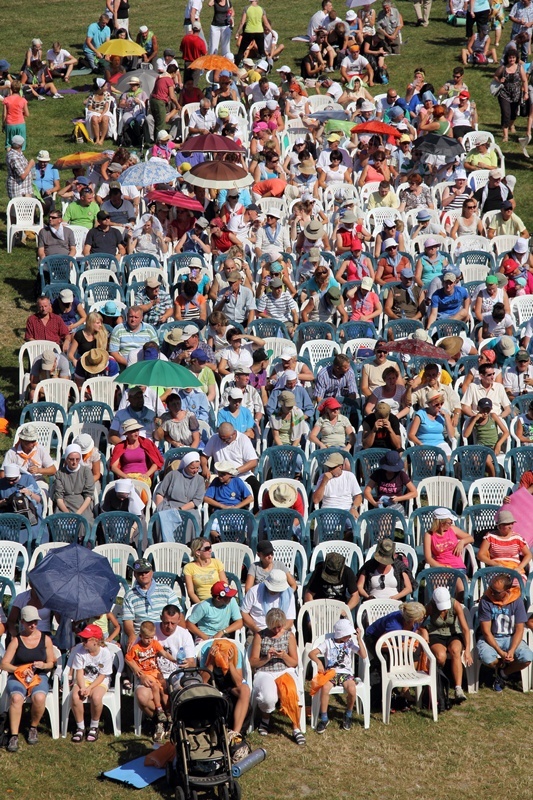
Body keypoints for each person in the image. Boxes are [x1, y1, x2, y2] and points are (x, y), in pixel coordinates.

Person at [0, 606, 56, 752]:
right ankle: (13, 735)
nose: (33, 625)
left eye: (35, 622)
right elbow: (4, 664)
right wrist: (20, 670)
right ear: (22, 622)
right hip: (19, 677)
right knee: (17, 698)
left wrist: (43, 665)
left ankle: (33, 726)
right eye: (30, 622)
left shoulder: (45, 639)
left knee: (39, 697)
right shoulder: (17, 640)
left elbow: (52, 662)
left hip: (38, 676)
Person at [249, 607, 305, 745]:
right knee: (268, 698)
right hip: (265, 670)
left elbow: (294, 662)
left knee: (293, 692)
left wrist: (284, 655)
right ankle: (265, 719)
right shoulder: (260, 636)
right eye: (274, 628)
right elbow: (253, 662)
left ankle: (296, 727)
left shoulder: (288, 636)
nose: (277, 630)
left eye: (279, 627)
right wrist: (267, 658)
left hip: (284, 670)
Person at [309, 618, 367, 733]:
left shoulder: (350, 643)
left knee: (351, 689)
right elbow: (312, 653)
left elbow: (363, 655)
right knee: (325, 688)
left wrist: (359, 639)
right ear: (341, 634)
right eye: (347, 635)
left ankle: (348, 714)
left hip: (346, 673)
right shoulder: (328, 643)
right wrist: (319, 662)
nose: (349, 637)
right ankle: (324, 717)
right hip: (331, 672)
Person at [476, 573, 533, 691]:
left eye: (496, 592)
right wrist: (501, 653)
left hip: (510, 637)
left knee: (527, 658)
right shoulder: (486, 600)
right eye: (491, 589)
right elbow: (486, 632)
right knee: (487, 658)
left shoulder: (517, 601)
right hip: (491, 637)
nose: (491, 593)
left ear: (507, 592)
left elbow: (519, 629)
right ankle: (500, 665)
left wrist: (511, 650)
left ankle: (503, 673)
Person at [126, 620, 180, 742]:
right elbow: (128, 659)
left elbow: (164, 653)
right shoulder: (136, 648)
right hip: (146, 673)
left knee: (164, 690)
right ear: (140, 636)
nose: (149, 640)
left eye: (151, 638)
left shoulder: (155, 644)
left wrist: (175, 660)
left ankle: (169, 716)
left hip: (156, 672)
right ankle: (159, 710)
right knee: (155, 686)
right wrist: (137, 670)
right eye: (146, 638)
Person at [421, 587, 472, 704]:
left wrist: (468, 650)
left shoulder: (455, 604)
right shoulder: (430, 606)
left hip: (453, 633)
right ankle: (441, 680)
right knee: (440, 656)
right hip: (436, 634)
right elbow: (420, 622)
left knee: (455, 650)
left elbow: (465, 629)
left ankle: (458, 688)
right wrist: (423, 630)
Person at [68, 624, 114, 744]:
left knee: (96, 697)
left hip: (99, 680)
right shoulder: (80, 651)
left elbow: (103, 675)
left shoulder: (105, 653)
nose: (83, 642)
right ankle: (80, 727)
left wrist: (90, 688)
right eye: (82, 639)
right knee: (75, 696)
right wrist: (83, 687)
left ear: (95, 641)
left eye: (86, 639)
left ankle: (94, 725)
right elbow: (79, 672)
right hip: (84, 679)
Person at [122, 559, 181, 645]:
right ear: (135, 574)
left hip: (163, 633)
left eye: (146, 572)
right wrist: (132, 635)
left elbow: (178, 614)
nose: (144, 574)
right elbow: (128, 620)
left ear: (152, 572)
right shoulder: (129, 595)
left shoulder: (166, 590)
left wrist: (181, 635)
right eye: (140, 572)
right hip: (142, 636)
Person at [110, 418, 164, 485]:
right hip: (126, 476)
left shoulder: (146, 443)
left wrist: (147, 474)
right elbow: (114, 467)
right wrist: (125, 476)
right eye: (133, 431)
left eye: (137, 430)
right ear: (127, 433)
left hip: (143, 476)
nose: (136, 433)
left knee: (140, 487)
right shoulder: (120, 446)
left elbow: (155, 463)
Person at [477, 509, 531, 575]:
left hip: (514, 568)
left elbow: (528, 554)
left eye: (511, 523)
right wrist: (494, 564)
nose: (510, 526)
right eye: (507, 524)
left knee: (518, 582)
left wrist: (520, 567)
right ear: (499, 526)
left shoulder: (517, 538)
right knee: (500, 583)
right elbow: (480, 555)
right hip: (497, 569)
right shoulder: (490, 536)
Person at [53, 444, 95, 524]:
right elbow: (59, 497)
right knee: (60, 522)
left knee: (85, 522)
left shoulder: (86, 471)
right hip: (65, 503)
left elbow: (88, 496)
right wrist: (68, 514)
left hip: (82, 504)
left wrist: (78, 514)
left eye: (77, 459)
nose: (74, 462)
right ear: (66, 459)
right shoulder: (60, 473)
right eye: (71, 459)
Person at [312, 452, 362, 517]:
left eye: (332, 468)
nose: (329, 470)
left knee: (354, 525)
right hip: (328, 510)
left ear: (340, 467)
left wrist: (354, 508)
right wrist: (324, 482)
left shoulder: (349, 476)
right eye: (328, 467)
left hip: (346, 510)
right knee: (327, 526)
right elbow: (316, 500)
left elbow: (358, 497)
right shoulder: (323, 477)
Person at [183, 537, 229, 603]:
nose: (210, 550)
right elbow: (191, 592)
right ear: (198, 552)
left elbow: (224, 583)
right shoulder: (189, 567)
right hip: (202, 601)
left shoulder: (217, 563)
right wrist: (200, 605)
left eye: (210, 547)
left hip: (219, 599)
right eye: (207, 548)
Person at [3, 81, 29, 151]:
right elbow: (27, 114)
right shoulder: (23, 100)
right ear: (20, 89)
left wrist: (3, 124)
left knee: (9, 143)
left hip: (10, 124)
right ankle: (19, 159)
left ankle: (9, 159)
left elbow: (4, 114)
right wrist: (21, 113)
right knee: (20, 143)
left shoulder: (6, 100)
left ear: (11, 88)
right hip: (20, 123)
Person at [6, 135, 35, 199]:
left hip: (25, 188)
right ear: (20, 145)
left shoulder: (18, 153)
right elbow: (22, 175)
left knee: (29, 208)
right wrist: (30, 164)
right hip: (18, 189)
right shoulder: (14, 157)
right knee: (19, 208)